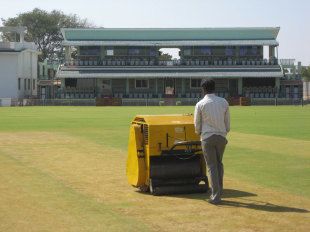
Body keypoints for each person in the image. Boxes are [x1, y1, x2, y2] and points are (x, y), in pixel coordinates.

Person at [194, 78, 230, 204]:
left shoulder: (200, 104)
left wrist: (199, 133)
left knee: (212, 166)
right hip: (221, 136)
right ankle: (219, 191)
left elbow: (197, 124)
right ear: (214, 88)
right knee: (219, 164)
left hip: (207, 137)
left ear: (203, 89)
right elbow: (227, 123)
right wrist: (224, 131)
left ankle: (216, 196)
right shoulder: (224, 102)